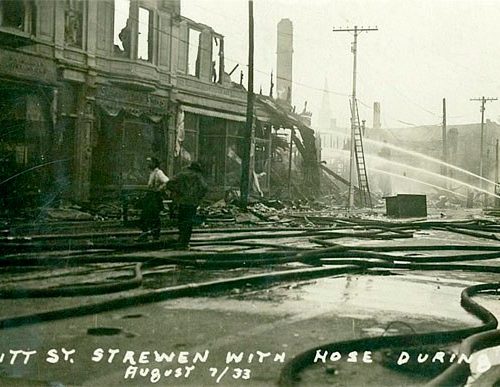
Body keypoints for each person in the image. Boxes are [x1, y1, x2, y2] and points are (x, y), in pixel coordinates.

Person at [166, 162, 208, 249]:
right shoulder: (198, 176)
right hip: (192, 202)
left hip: (182, 201)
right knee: (189, 222)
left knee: (181, 220)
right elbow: (204, 187)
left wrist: (178, 191)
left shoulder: (182, 175)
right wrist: (198, 197)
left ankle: (181, 240)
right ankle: (185, 242)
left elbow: (169, 183)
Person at [137, 157, 169, 241]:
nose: (148, 164)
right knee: (145, 216)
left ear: (155, 163)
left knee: (154, 216)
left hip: (155, 197)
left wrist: (160, 189)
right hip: (150, 196)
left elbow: (167, 181)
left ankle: (155, 235)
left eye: (150, 162)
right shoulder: (151, 173)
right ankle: (145, 234)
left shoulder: (158, 173)